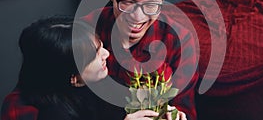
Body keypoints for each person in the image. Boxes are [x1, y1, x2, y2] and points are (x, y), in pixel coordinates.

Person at [82, 0, 199, 119]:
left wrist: (177, 115)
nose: (137, 17)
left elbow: (185, 107)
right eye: (127, 2)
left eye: (151, 5)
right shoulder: (87, 28)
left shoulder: (180, 40)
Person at [1, 15, 186, 120]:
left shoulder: (99, 80)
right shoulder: (54, 113)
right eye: (96, 54)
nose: (106, 54)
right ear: (74, 77)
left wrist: (161, 113)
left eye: (101, 46)